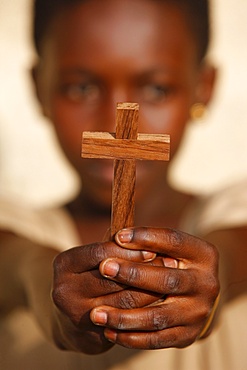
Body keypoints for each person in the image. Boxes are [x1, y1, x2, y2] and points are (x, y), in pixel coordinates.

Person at [0, 0, 246, 369]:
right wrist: (56, 301)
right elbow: (20, 265)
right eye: (81, 88)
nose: (116, 122)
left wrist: (206, 286)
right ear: (39, 86)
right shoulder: (13, 226)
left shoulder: (235, 210)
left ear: (204, 87)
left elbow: (230, 258)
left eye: (158, 90)